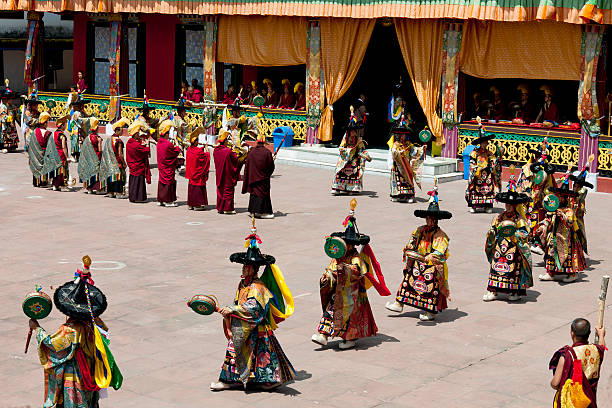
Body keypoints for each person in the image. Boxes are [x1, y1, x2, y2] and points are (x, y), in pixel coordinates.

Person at [210, 219, 295, 391]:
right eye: (243, 266)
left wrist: (233, 309)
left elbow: (253, 309)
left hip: (256, 326)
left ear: (254, 269)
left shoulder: (258, 287)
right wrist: (229, 311)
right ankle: (245, 380)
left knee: (251, 352)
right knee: (256, 354)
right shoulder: (243, 284)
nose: (243, 269)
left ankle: (231, 380)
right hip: (243, 323)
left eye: (246, 267)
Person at [29, 255, 122, 407]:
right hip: (90, 372)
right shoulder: (94, 324)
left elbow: (51, 344)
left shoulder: (70, 330)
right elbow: (104, 330)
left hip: (76, 376)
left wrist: (37, 329)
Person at [312, 199, 389, 349]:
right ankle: (323, 334)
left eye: (347, 243)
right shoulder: (338, 257)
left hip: (352, 294)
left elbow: (356, 272)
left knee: (351, 317)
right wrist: (327, 276)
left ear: (352, 245)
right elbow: (331, 269)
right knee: (330, 312)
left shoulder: (356, 258)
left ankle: (349, 338)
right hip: (338, 292)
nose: (346, 245)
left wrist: (344, 270)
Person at [385, 180, 452, 320]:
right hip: (417, 261)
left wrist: (431, 256)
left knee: (430, 287)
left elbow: (440, 251)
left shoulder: (441, 235)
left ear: (436, 220)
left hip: (431, 265)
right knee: (407, 279)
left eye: (432, 219)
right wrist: (409, 248)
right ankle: (399, 303)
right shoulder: (419, 230)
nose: (429, 221)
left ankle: (430, 312)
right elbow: (412, 242)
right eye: (428, 218)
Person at [482, 177, 533, 302]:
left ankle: (514, 292)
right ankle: (493, 291)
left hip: (513, 248)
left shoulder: (519, 219)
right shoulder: (500, 217)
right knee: (496, 267)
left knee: (513, 269)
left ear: (515, 205)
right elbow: (493, 229)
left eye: (511, 205)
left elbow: (525, 234)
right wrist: (492, 232)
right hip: (499, 246)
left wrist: (515, 235)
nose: (508, 206)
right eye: (507, 204)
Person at [537, 173, 587, 283]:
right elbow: (548, 219)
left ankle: (572, 273)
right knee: (551, 252)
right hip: (554, 236)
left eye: (561, 197)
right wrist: (542, 227)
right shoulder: (553, 209)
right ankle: (550, 273)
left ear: (564, 198)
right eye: (557, 196)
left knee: (568, 255)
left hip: (567, 237)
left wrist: (562, 216)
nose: (559, 198)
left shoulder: (569, 210)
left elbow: (570, 222)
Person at [549, 318, 606, 408]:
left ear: (572, 333)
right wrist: (601, 335)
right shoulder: (595, 351)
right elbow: (601, 347)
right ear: (589, 333)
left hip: (572, 403)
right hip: (589, 402)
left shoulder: (567, 355)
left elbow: (556, 383)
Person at [517, 141, 557, 254]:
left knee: (540, 220)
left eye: (540, 157)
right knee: (527, 219)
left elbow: (550, 187)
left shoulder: (546, 171)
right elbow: (523, 183)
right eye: (537, 156)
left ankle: (538, 243)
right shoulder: (527, 168)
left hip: (541, 201)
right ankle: (527, 239)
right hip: (529, 199)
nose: (538, 158)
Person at [331, 108, 372, 195]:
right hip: (346, 158)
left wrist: (365, 155)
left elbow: (362, 149)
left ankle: (352, 188)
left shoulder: (358, 139)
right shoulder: (345, 138)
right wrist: (346, 150)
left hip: (354, 159)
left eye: (355, 130)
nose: (354, 132)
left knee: (354, 168)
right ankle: (338, 187)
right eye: (352, 130)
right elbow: (341, 148)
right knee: (340, 169)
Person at [465, 120, 502, 213]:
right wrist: (476, 169)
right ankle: (474, 206)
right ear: (480, 143)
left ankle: (487, 206)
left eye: (486, 142)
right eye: (483, 142)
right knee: (475, 188)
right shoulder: (474, 153)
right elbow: (471, 163)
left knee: (488, 188)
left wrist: (496, 162)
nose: (485, 144)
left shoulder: (489, 153)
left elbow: (493, 161)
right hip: (478, 174)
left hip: (487, 174)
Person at [388, 119, 425, 203]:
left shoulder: (408, 144)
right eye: (401, 134)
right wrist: (398, 152)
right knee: (397, 180)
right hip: (398, 165)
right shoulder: (395, 144)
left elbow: (414, 151)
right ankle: (396, 195)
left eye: (404, 134)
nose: (402, 136)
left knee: (407, 179)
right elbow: (393, 152)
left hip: (406, 165)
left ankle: (408, 195)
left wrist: (421, 149)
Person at [242, 131, 275, 218]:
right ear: (264, 142)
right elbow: (271, 167)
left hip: (253, 178)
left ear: (257, 141)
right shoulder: (267, 152)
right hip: (263, 178)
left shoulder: (251, 152)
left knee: (254, 194)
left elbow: (247, 165)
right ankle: (264, 212)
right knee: (263, 195)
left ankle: (253, 211)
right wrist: (272, 159)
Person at [101, 117, 129, 199]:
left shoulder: (109, 139)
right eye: (121, 130)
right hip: (117, 162)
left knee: (111, 176)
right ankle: (118, 192)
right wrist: (124, 163)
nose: (122, 131)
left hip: (110, 162)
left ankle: (110, 192)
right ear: (117, 130)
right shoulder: (119, 141)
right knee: (119, 177)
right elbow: (120, 154)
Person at [214, 130, 240, 214]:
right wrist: (234, 152)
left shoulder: (216, 150)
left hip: (219, 174)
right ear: (224, 141)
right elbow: (235, 160)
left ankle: (220, 208)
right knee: (228, 191)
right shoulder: (228, 151)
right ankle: (228, 208)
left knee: (220, 191)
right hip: (227, 174)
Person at [570, 164, 593, 257]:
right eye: (574, 185)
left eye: (576, 186)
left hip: (577, 218)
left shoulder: (581, 193)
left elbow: (583, 191)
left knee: (579, 234)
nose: (574, 187)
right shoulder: (571, 194)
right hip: (569, 217)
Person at [156, 119, 181, 207]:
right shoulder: (168, 144)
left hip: (161, 165)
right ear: (166, 134)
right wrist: (177, 144)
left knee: (162, 182)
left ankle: (161, 200)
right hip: (168, 166)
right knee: (168, 182)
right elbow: (175, 151)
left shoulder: (159, 142)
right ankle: (168, 201)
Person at [126, 122, 152, 203]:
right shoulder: (136, 145)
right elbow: (144, 151)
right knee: (138, 182)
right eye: (138, 133)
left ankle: (132, 197)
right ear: (134, 134)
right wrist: (147, 145)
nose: (139, 135)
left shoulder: (129, 142)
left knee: (133, 181)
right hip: (138, 165)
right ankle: (138, 197)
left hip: (132, 165)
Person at [185, 127, 210, 210]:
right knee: (197, 188)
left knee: (192, 188)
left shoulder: (189, 149)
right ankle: (197, 205)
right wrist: (206, 149)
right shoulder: (198, 151)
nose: (198, 142)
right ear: (195, 142)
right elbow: (206, 156)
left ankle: (191, 204)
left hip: (191, 174)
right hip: (198, 175)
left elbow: (196, 154)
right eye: (197, 140)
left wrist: (202, 148)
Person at [78, 117, 103, 194]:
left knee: (89, 171)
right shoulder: (98, 138)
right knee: (96, 172)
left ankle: (89, 189)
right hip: (96, 157)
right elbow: (100, 150)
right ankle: (98, 189)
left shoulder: (87, 138)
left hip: (89, 159)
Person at [27, 111, 51, 187]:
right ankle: (43, 182)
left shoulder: (34, 131)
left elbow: (31, 144)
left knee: (36, 166)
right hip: (43, 153)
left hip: (34, 154)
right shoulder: (47, 133)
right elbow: (49, 146)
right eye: (47, 122)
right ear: (44, 123)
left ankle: (36, 182)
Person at [50, 114, 70, 191]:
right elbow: (64, 147)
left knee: (55, 170)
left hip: (54, 155)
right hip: (61, 155)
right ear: (62, 125)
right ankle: (63, 185)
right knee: (63, 170)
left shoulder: (53, 134)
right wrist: (67, 157)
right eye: (65, 124)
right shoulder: (62, 136)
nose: (66, 126)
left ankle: (55, 185)